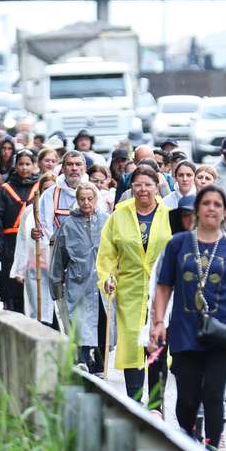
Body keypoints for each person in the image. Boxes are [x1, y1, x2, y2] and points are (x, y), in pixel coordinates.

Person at [150, 185, 226, 451]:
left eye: (217, 204)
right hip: (185, 329)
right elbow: (163, 286)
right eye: (206, 203)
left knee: (214, 393)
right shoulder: (177, 245)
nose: (211, 208)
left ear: (224, 212)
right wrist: (158, 322)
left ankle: (212, 444)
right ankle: (189, 438)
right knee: (187, 396)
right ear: (197, 210)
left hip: (223, 331)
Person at [97, 165, 172, 408]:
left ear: (156, 186)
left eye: (148, 184)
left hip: (161, 290)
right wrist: (107, 277)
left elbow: (178, 249)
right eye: (138, 185)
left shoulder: (169, 214)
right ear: (131, 188)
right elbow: (107, 253)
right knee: (132, 346)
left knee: (157, 345)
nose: (143, 190)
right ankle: (135, 404)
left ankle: (157, 406)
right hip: (129, 289)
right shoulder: (119, 215)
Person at [49, 182, 109, 373]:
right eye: (82, 199)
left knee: (101, 322)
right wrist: (56, 284)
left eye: (89, 199)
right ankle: (82, 361)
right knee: (80, 323)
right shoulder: (68, 224)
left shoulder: (106, 221)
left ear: (96, 199)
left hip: (102, 282)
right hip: (78, 282)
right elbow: (58, 257)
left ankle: (100, 364)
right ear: (77, 200)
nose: (86, 202)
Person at [0, 149, 40, 313]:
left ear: (34, 166)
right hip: (10, 239)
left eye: (28, 164)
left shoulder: (39, 187)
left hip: (31, 240)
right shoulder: (5, 189)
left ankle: (29, 306)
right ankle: (11, 305)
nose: (24, 168)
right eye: (21, 164)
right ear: (15, 166)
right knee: (9, 272)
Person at [11, 173, 57, 326]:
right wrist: (19, 268)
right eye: (45, 189)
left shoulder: (64, 209)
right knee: (40, 312)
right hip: (36, 267)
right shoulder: (30, 212)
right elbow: (22, 240)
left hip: (57, 267)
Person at [33, 151, 88, 244]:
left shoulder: (93, 192)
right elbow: (43, 226)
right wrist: (37, 234)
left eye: (78, 164)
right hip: (57, 250)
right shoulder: (50, 194)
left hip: (86, 250)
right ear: (62, 168)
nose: (74, 168)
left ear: (85, 168)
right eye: (70, 164)